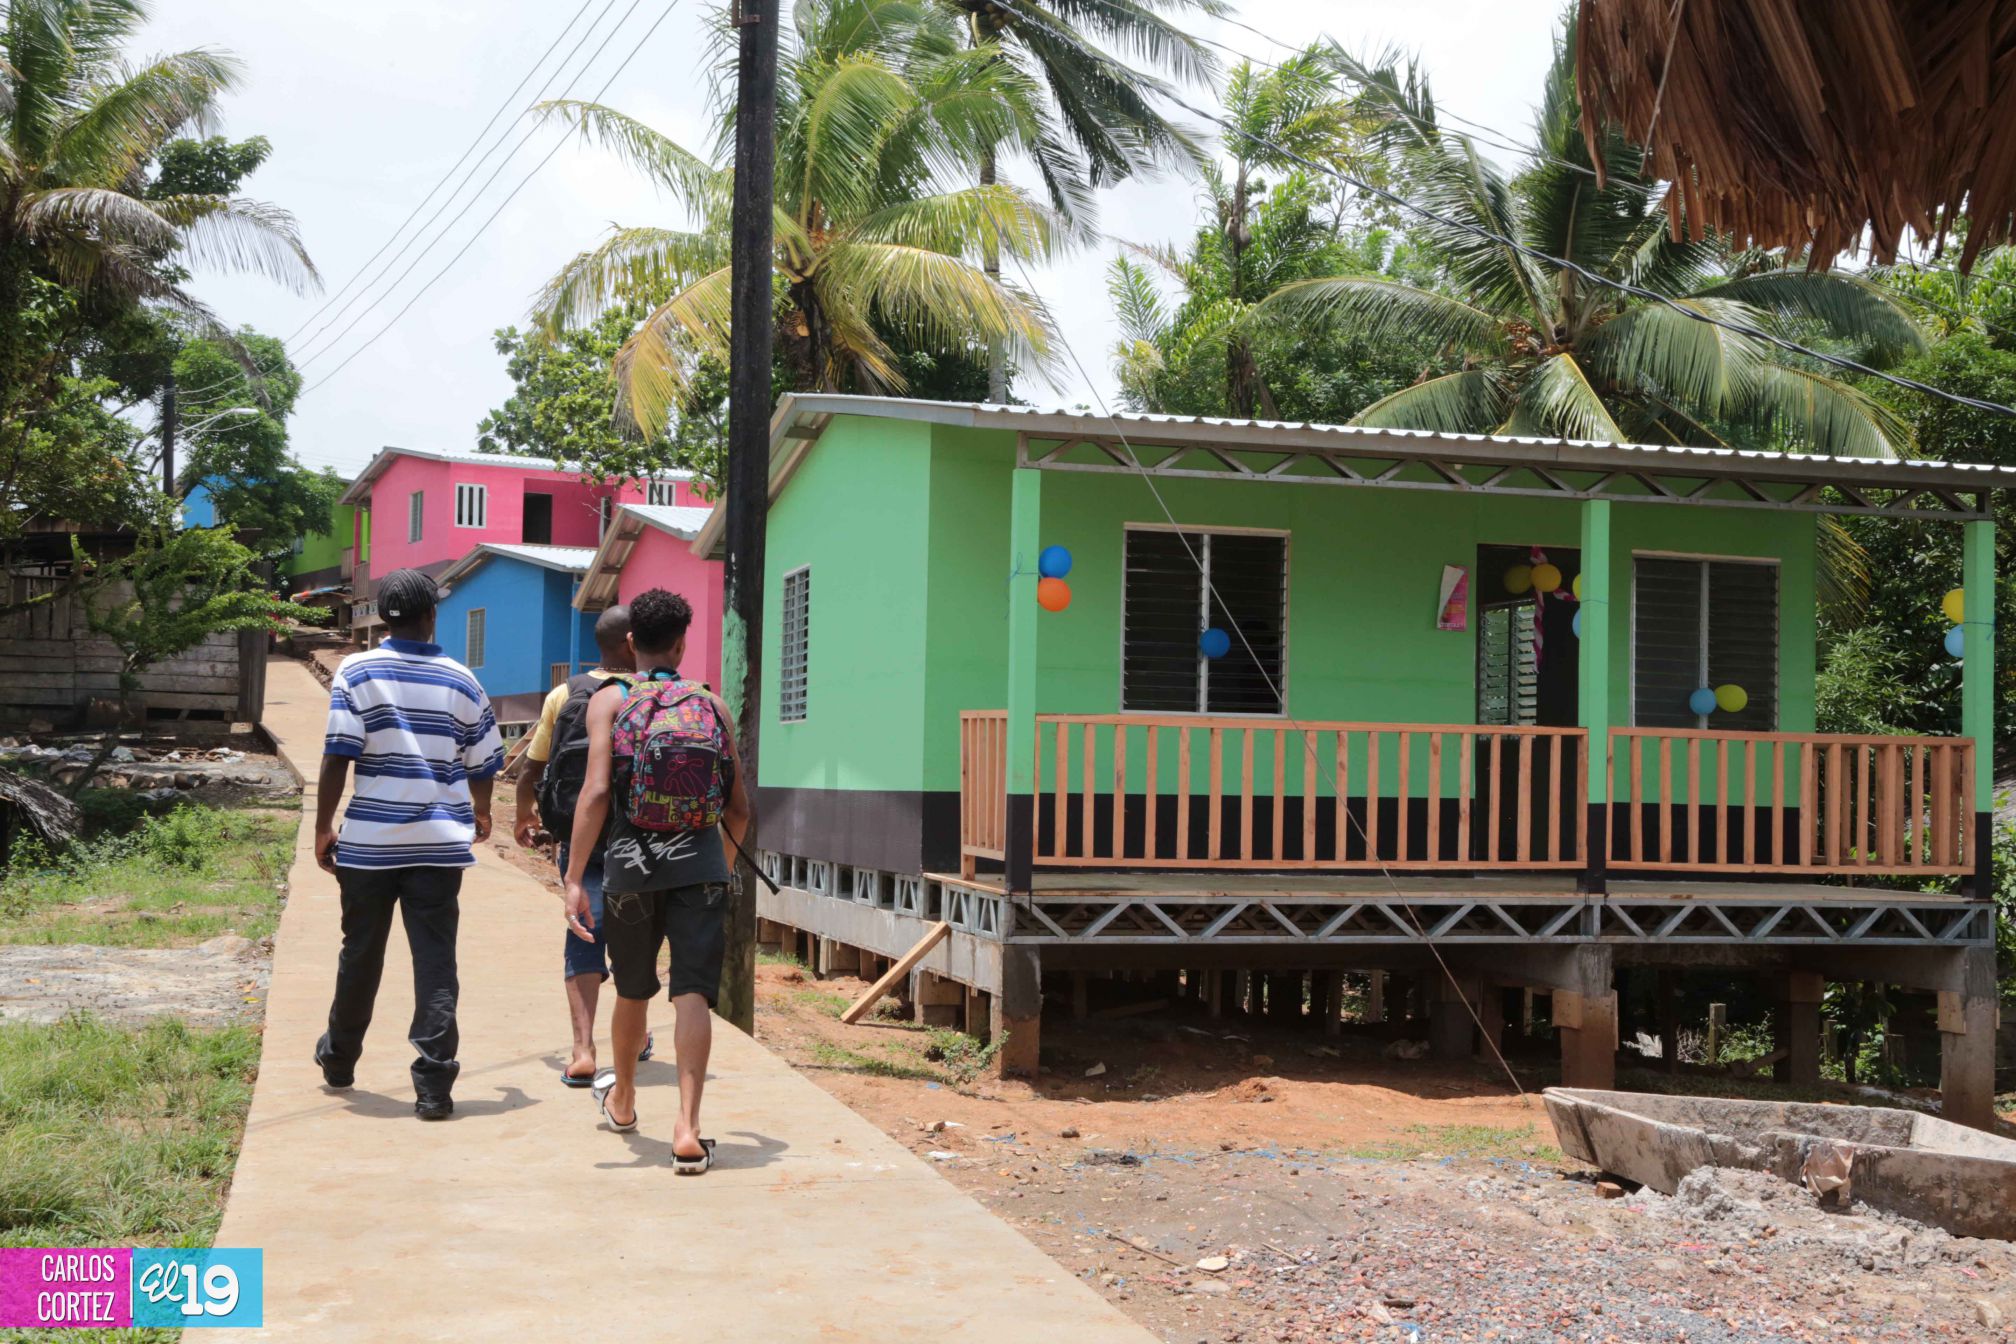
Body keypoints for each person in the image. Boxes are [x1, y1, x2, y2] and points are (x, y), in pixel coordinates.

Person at [564, 587, 749, 1173]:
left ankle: (623, 1099)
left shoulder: (608, 703)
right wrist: (713, 863)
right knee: (692, 993)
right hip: (700, 872)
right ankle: (689, 1128)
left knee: (633, 990)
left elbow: (595, 793)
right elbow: (739, 809)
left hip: (629, 873)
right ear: (681, 643)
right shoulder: (711, 706)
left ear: (629, 643)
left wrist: (574, 878)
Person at [313, 568, 503, 1121]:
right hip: (439, 845)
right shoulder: (461, 678)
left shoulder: (357, 670)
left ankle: (340, 1059)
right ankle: (435, 1087)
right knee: (435, 961)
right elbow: (484, 759)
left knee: (361, 953)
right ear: (431, 616)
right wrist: (483, 810)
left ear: (382, 618)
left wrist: (324, 826)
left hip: (370, 843)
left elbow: (338, 753)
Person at [514, 604, 645, 1086]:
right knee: (640, 937)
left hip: (581, 835)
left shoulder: (566, 693)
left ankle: (583, 1048)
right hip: (644, 840)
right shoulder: (652, 694)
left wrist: (522, 814)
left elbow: (532, 767)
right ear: (634, 642)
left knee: (583, 931)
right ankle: (637, 1033)